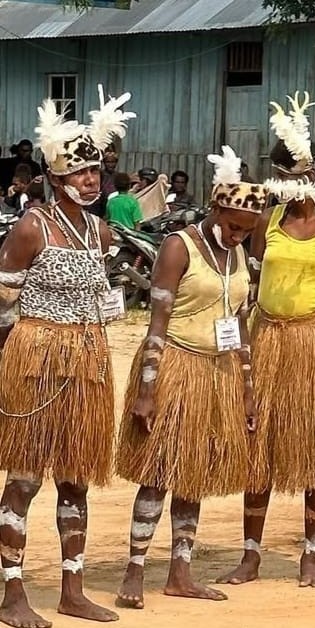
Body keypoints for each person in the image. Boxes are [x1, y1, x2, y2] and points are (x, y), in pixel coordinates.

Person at [216, 94, 315, 589]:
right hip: (270, 339)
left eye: (301, 173)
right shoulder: (266, 224)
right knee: (261, 445)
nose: (292, 183)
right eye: (284, 173)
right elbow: (251, 286)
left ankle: (311, 556)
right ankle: (251, 555)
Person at [0, 87, 134, 627]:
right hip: (34, 358)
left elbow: (104, 301)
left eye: (95, 172)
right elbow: (2, 302)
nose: (90, 180)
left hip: (88, 362)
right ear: (55, 179)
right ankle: (11, 593)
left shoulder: (99, 231)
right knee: (26, 478)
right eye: (79, 174)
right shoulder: (33, 226)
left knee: (76, 477)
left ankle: (72, 588)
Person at [115, 146, 264, 608]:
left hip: (217, 372)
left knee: (193, 473)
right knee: (160, 470)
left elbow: (239, 325)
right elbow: (155, 322)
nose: (239, 236)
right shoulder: (179, 245)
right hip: (176, 364)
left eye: (247, 230)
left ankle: (181, 571)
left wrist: (247, 389)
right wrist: (147, 388)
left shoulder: (239, 256)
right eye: (235, 225)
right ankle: (134, 572)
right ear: (217, 207)